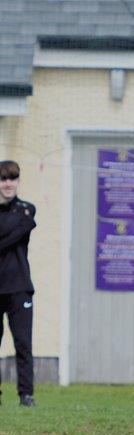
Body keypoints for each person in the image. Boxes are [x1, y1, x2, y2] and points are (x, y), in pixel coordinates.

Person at [0, 160, 36, 408]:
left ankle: (26, 395)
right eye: (3, 179)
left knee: (23, 343)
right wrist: (20, 228)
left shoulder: (27, 209)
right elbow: (15, 233)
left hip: (19, 286)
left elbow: (19, 231)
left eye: (13, 178)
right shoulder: (23, 217)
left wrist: (23, 226)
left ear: (18, 181)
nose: (8, 183)